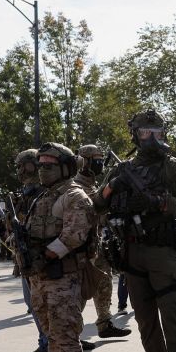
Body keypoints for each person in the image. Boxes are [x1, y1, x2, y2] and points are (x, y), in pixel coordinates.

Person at [96, 111, 176, 352]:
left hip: (163, 252)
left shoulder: (173, 167)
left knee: (172, 319)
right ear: (135, 135)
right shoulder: (122, 169)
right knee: (145, 320)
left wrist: (161, 202)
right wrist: (114, 186)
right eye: (145, 133)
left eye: (157, 131)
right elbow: (97, 203)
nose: (152, 138)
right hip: (131, 253)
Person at [21, 142, 94, 352]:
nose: (43, 171)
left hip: (63, 277)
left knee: (66, 338)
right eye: (41, 166)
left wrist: (47, 253)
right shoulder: (44, 196)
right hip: (41, 278)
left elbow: (75, 234)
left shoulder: (74, 196)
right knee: (52, 337)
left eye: (49, 166)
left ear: (66, 167)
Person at [75, 144, 130, 340]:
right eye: (96, 160)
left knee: (104, 282)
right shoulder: (76, 185)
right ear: (84, 162)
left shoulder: (91, 184)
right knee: (81, 291)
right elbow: (94, 206)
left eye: (101, 159)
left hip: (96, 243)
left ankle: (105, 323)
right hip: (80, 246)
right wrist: (110, 183)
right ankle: (68, 338)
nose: (100, 163)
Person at [13, 149, 51, 352]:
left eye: (23, 165)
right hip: (27, 257)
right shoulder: (25, 194)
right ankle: (44, 342)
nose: (20, 170)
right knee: (33, 303)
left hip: (43, 257)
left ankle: (55, 345)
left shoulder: (46, 191)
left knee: (47, 303)